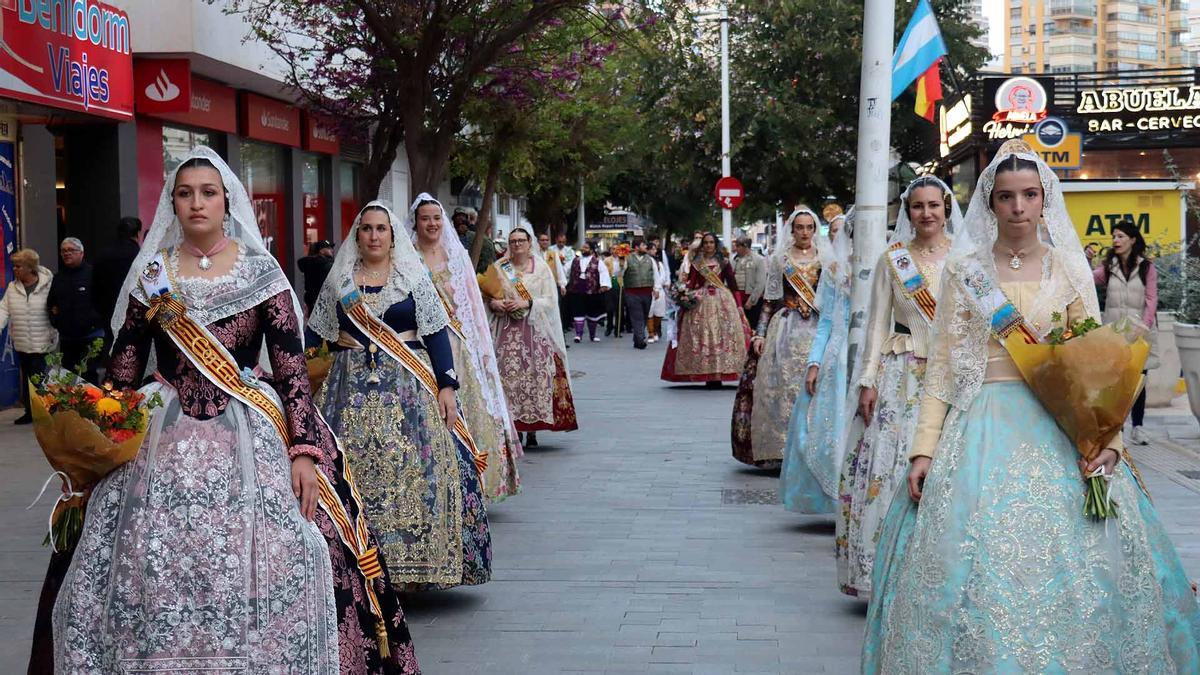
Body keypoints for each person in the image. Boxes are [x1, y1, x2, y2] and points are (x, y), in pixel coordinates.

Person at [55, 148, 421, 673]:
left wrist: (303, 450)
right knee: (134, 550)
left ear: (227, 201)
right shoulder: (153, 276)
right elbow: (125, 369)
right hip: (164, 427)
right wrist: (96, 441)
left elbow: (291, 369)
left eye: (207, 193)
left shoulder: (260, 272)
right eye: (185, 194)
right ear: (172, 205)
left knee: (298, 543)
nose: (196, 203)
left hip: (249, 424)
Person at [863, 141, 1200, 672]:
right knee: (972, 559)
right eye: (1005, 197)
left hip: (1057, 423)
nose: (1018, 207)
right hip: (980, 422)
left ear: (1045, 200)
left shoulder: (1067, 269)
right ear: (989, 204)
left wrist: (1107, 439)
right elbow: (945, 367)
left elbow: (1097, 361)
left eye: (1028, 195)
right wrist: (923, 449)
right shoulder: (964, 271)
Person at [309, 200, 492, 591]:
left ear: (393, 236)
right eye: (367, 229)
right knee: (351, 473)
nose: (374, 236)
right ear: (357, 235)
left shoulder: (411, 276)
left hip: (409, 388)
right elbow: (315, 336)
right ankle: (358, 564)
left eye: (381, 229)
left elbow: (436, 332)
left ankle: (415, 570)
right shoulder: (340, 279)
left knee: (413, 471)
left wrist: (447, 385)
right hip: (349, 390)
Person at [835, 177, 959, 599]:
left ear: (946, 208)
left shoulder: (969, 258)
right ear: (908, 213)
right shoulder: (894, 260)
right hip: (902, 374)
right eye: (918, 206)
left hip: (954, 378)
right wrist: (867, 379)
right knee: (891, 469)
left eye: (934, 206)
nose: (927, 214)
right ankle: (888, 569)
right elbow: (875, 325)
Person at [411, 193, 522, 502]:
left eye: (436, 218)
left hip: (457, 345)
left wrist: (480, 347)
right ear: (415, 223)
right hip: (420, 346)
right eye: (425, 218)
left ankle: (474, 483)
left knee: (470, 411)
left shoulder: (456, 256)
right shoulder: (407, 257)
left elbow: (472, 305)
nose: (432, 223)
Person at [733, 210, 822, 468]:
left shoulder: (826, 260)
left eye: (809, 227)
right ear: (791, 230)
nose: (804, 232)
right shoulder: (780, 260)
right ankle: (781, 448)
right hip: (785, 329)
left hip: (816, 329)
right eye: (799, 227)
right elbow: (769, 301)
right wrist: (760, 333)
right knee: (781, 389)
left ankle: (811, 448)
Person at [780, 209, 854, 512]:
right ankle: (834, 501)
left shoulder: (884, 265)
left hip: (870, 356)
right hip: (836, 358)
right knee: (824, 431)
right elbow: (825, 322)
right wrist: (814, 362)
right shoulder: (835, 269)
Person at [481, 227, 578, 446]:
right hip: (505, 332)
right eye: (512, 241)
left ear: (529, 242)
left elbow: (550, 301)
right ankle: (514, 427)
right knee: (508, 379)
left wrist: (527, 302)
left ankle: (533, 429)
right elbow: (486, 296)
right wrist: (495, 303)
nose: (516, 245)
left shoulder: (542, 268)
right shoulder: (498, 267)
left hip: (534, 331)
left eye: (520, 241)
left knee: (534, 376)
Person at [1089, 219, 1158, 445]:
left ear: (1132, 239)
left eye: (1120, 236)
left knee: (1138, 380)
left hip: (1140, 332)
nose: (1115, 240)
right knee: (1117, 383)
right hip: (1116, 333)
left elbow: (1151, 299)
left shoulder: (1147, 267)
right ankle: (1117, 429)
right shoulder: (1109, 268)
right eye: (1113, 236)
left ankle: (1138, 427)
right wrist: (1087, 258)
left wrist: (1144, 325)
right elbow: (1087, 280)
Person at [661, 232, 747, 385]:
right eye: (706, 243)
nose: (708, 245)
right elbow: (692, 283)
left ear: (716, 244)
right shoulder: (697, 263)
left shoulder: (724, 262)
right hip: (702, 301)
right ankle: (705, 371)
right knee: (703, 334)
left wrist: (739, 306)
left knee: (723, 334)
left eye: (711, 242)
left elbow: (733, 286)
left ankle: (720, 371)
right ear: (702, 245)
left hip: (723, 301)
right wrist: (683, 295)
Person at [0, 248, 54, 424]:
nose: (14, 269)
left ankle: (44, 412)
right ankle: (30, 412)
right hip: (23, 341)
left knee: (39, 377)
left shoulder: (48, 285)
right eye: (14, 266)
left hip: (43, 340)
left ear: (30, 268)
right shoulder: (12, 288)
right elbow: (3, 310)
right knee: (27, 378)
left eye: (18, 266)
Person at [47, 237, 103, 383]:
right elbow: (51, 303)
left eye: (71, 250)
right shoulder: (58, 277)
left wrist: (95, 320)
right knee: (69, 376)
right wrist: (56, 321)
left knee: (88, 376)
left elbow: (105, 301)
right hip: (68, 338)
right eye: (63, 251)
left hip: (90, 335)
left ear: (81, 253)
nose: (67, 253)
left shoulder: (93, 274)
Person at [92, 216, 142, 331]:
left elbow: (94, 286)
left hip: (107, 314)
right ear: (138, 234)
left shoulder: (103, 254)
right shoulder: (139, 256)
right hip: (132, 315)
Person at [565, 240, 612, 343]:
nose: (583, 249)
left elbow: (604, 273)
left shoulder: (598, 262)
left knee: (592, 314)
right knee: (578, 311)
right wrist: (563, 284)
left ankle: (592, 335)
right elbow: (565, 271)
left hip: (592, 291)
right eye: (583, 247)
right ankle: (578, 335)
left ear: (591, 250)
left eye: (586, 248)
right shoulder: (574, 260)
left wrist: (604, 285)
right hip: (576, 290)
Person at [622, 237, 658, 349]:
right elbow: (620, 273)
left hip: (647, 292)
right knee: (637, 316)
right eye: (643, 245)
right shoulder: (627, 258)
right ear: (637, 247)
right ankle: (641, 340)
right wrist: (620, 262)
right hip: (632, 292)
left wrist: (656, 288)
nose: (645, 247)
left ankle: (637, 338)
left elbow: (655, 274)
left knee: (644, 315)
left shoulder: (650, 259)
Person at [732, 236, 767, 329]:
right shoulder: (734, 260)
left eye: (738, 246)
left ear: (745, 246)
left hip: (752, 299)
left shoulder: (759, 260)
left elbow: (761, 283)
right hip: (737, 299)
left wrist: (752, 300)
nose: (736, 248)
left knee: (752, 327)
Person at [298, 239, 335, 314]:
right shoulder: (325, 265)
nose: (331, 250)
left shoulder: (311, 263)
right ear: (321, 251)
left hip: (313, 300)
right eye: (328, 248)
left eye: (331, 247)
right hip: (322, 300)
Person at [647, 239, 668, 343]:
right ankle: (650, 333)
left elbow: (663, 275)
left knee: (659, 312)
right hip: (650, 289)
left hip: (660, 289)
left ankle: (655, 330)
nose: (654, 251)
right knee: (650, 312)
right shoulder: (647, 261)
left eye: (655, 249)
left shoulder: (659, 263)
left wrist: (663, 283)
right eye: (652, 249)